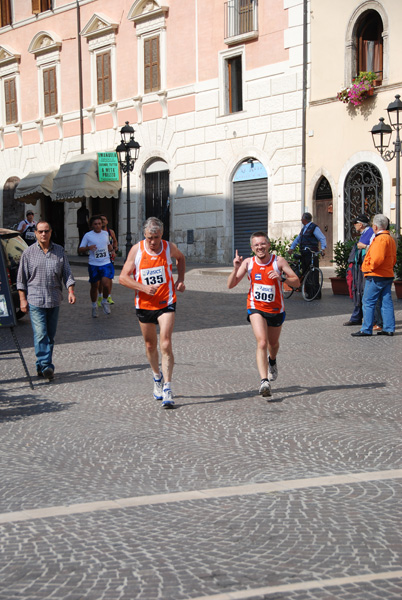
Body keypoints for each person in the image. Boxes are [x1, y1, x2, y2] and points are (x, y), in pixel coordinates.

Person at [119, 217, 186, 408]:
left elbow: (181, 258)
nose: (153, 242)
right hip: (144, 304)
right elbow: (123, 277)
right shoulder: (137, 250)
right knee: (150, 345)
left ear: (161, 235)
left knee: (165, 343)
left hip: (166, 302)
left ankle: (167, 388)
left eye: (156, 237)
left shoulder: (168, 247)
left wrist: (180, 280)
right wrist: (143, 287)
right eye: (149, 238)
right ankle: (157, 376)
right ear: (144, 236)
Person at [228, 232, 300, 398]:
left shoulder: (278, 261)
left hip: (276, 310)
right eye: (256, 245)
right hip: (255, 307)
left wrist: (282, 278)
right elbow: (230, 284)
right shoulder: (248, 263)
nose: (260, 247)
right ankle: (264, 381)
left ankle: (272, 360)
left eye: (262, 244)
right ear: (252, 248)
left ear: (268, 245)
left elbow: (296, 281)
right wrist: (236, 268)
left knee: (273, 345)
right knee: (262, 341)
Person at [17, 220, 76, 379]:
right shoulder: (28, 253)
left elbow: (67, 274)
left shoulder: (59, 251)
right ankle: (46, 365)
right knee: (41, 333)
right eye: (40, 231)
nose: (43, 234)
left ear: (50, 232)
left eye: (46, 231)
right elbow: (21, 279)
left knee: (49, 335)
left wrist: (71, 291)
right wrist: (22, 300)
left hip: (54, 299)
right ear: (35, 233)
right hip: (35, 300)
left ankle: (40, 366)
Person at [351, 214, 396, 337]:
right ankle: (389, 328)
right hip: (387, 273)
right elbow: (392, 258)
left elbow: (376, 259)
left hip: (376, 275)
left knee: (368, 301)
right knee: (386, 301)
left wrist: (366, 268)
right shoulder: (390, 238)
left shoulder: (380, 239)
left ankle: (366, 329)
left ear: (375, 226)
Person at [78, 215, 114, 318]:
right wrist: (88, 248)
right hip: (94, 264)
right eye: (95, 224)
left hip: (106, 263)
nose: (98, 226)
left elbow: (108, 244)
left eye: (99, 224)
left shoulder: (105, 233)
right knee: (94, 286)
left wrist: (112, 251)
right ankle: (94, 306)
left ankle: (104, 301)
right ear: (92, 226)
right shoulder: (88, 236)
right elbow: (80, 249)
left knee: (106, 284)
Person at [344, 214, 374, 326]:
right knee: (358, 290)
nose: (354, 226)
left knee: (362, 291)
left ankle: (367, 319)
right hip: (359, 267)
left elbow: (372, 248)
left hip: (364, 267)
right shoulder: (365, 233)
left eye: (355, 223)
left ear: (360, 224)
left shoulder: (370, 233)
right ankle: (357, 316)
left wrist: (364, 247)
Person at [289, 212, 326, 299]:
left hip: (311, 253)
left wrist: (323, 248)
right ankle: (309, 293)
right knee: (306, 272)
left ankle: (315, 294)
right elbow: (297, 239)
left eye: (302, 218)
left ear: (304, 219)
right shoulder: (304, 229)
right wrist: (292, 248)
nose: (301, 220)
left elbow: (322, 238)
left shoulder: (314, 227)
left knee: (313, 273)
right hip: (304, 253)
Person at [97, 214, 118, 306]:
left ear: (107, 221)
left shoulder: (111, 232)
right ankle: (100, 296)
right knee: (100, 279)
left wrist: (114, 250)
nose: (103, 221)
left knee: (109, 277)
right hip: (100, 258)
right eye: (101, 220)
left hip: (110, 257)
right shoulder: (96, 233)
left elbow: (115, 242)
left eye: (104, 219)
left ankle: (109, 296)